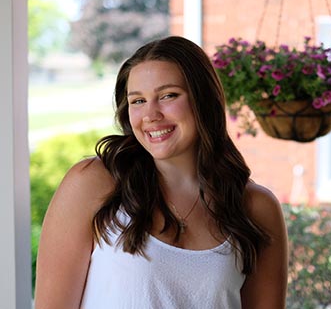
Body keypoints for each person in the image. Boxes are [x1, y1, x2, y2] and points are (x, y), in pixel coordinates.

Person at [34, 36, 288, 309]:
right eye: (138, 100)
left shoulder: (257, 208)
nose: (150, 114)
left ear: (203, 100)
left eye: (168, 96)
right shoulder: (92, 183)